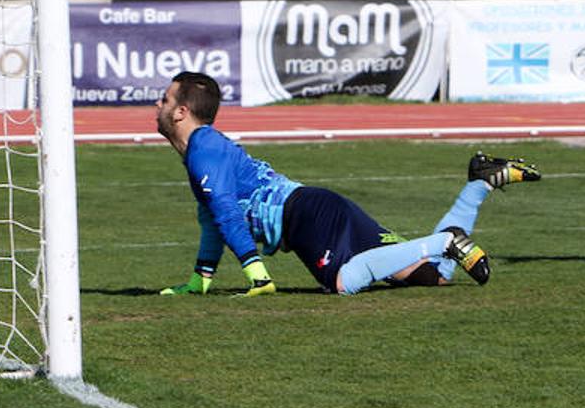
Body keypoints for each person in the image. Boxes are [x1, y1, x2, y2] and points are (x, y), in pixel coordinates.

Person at [154, 71, 541, 297]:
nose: (158, 105)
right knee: (431, 276)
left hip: (305, 215)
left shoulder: (204, 147)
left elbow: (223, 209)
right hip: (318, 208)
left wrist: (255, 271)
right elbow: (211, 218)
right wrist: (199, 281)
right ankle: (480, 183)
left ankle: (446, 240)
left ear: (182, 112)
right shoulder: (203, 152)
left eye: (164, 99)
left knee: (342, 282)